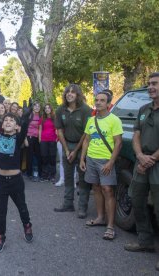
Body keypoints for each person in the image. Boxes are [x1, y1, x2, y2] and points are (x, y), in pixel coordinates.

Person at [0, 100, 34, 252]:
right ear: (2, 125)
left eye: (12, 120)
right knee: (1, 212)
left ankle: (27, 225)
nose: (8, 121)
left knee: (22, 207)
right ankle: (0, 236)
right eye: (6, 120)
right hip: (1, 182)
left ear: (16, 126)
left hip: (16, 181)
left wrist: (26, 117)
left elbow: (24, 129)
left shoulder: (19, 138)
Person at [124, 73, 159, 271]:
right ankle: (145, 241)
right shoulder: (143, 109)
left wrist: (151, 159)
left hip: (155, 164)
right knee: (137, 201)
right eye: (149, 84)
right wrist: (139, 156)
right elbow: (136, 134)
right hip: (142, 162)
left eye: (154, 84)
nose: (150, 87)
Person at [80, 91, 123, 240]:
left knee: (108, 190)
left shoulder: (114, 120)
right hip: (91, 158)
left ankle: (110, 226)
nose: (98, 102)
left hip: (106, 160)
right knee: (96, 187)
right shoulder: (91, 120)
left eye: (102, 100)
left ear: (109, 104)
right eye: (97, 100)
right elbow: (86, 140)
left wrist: (111, 162)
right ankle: (100, 218)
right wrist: (82, 159)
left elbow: (118, 142)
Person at [54, 84, 92, 219]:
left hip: (82, 146)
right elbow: (59, 131)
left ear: (78, 95)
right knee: (68, 177)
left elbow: (86, 133)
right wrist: (66, 149)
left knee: (82, 179)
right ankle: (68, 204)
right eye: (67, 92)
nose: (69, 94)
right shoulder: (60, 110)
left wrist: (75, 151)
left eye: (73, 92)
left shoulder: (86, 110)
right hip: (67, 145)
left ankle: (82, 207)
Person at [39, 104, 57, 182]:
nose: (47, 109)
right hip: (44, 140)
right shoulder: (42, 118)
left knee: (52, 157)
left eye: (48, 108)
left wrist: (57, 138)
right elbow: (40, 129)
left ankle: (52, 175)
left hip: (52, 140)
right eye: (45, 108)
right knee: (44, 157)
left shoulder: (55, 118)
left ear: (51, 109)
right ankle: (45, 175)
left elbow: (57, 129)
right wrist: (40, 139)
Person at [25, 102, 42, 181]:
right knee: (29, 156)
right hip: (29, 137)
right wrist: (25, 139)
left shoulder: (41, 116)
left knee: (38, 155)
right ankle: (29, 173)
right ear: (32, 107)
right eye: (35, 106)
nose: (37, 107)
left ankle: (38, 172)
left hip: (37, 138)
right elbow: (24, 127)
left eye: (38, 106)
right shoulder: (29, 115)